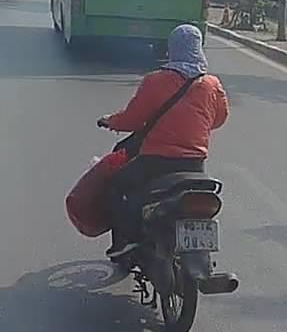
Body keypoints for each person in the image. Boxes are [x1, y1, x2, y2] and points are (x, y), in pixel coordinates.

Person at [97, 25, 230, 272]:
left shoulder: (155, 80)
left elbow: (133, 120)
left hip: (155, 162)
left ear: (172, 49)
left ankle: (125, 242)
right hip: (195, 164)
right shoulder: (212, 84)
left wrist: (110, 121)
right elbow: (219, 118)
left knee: (117, 185)